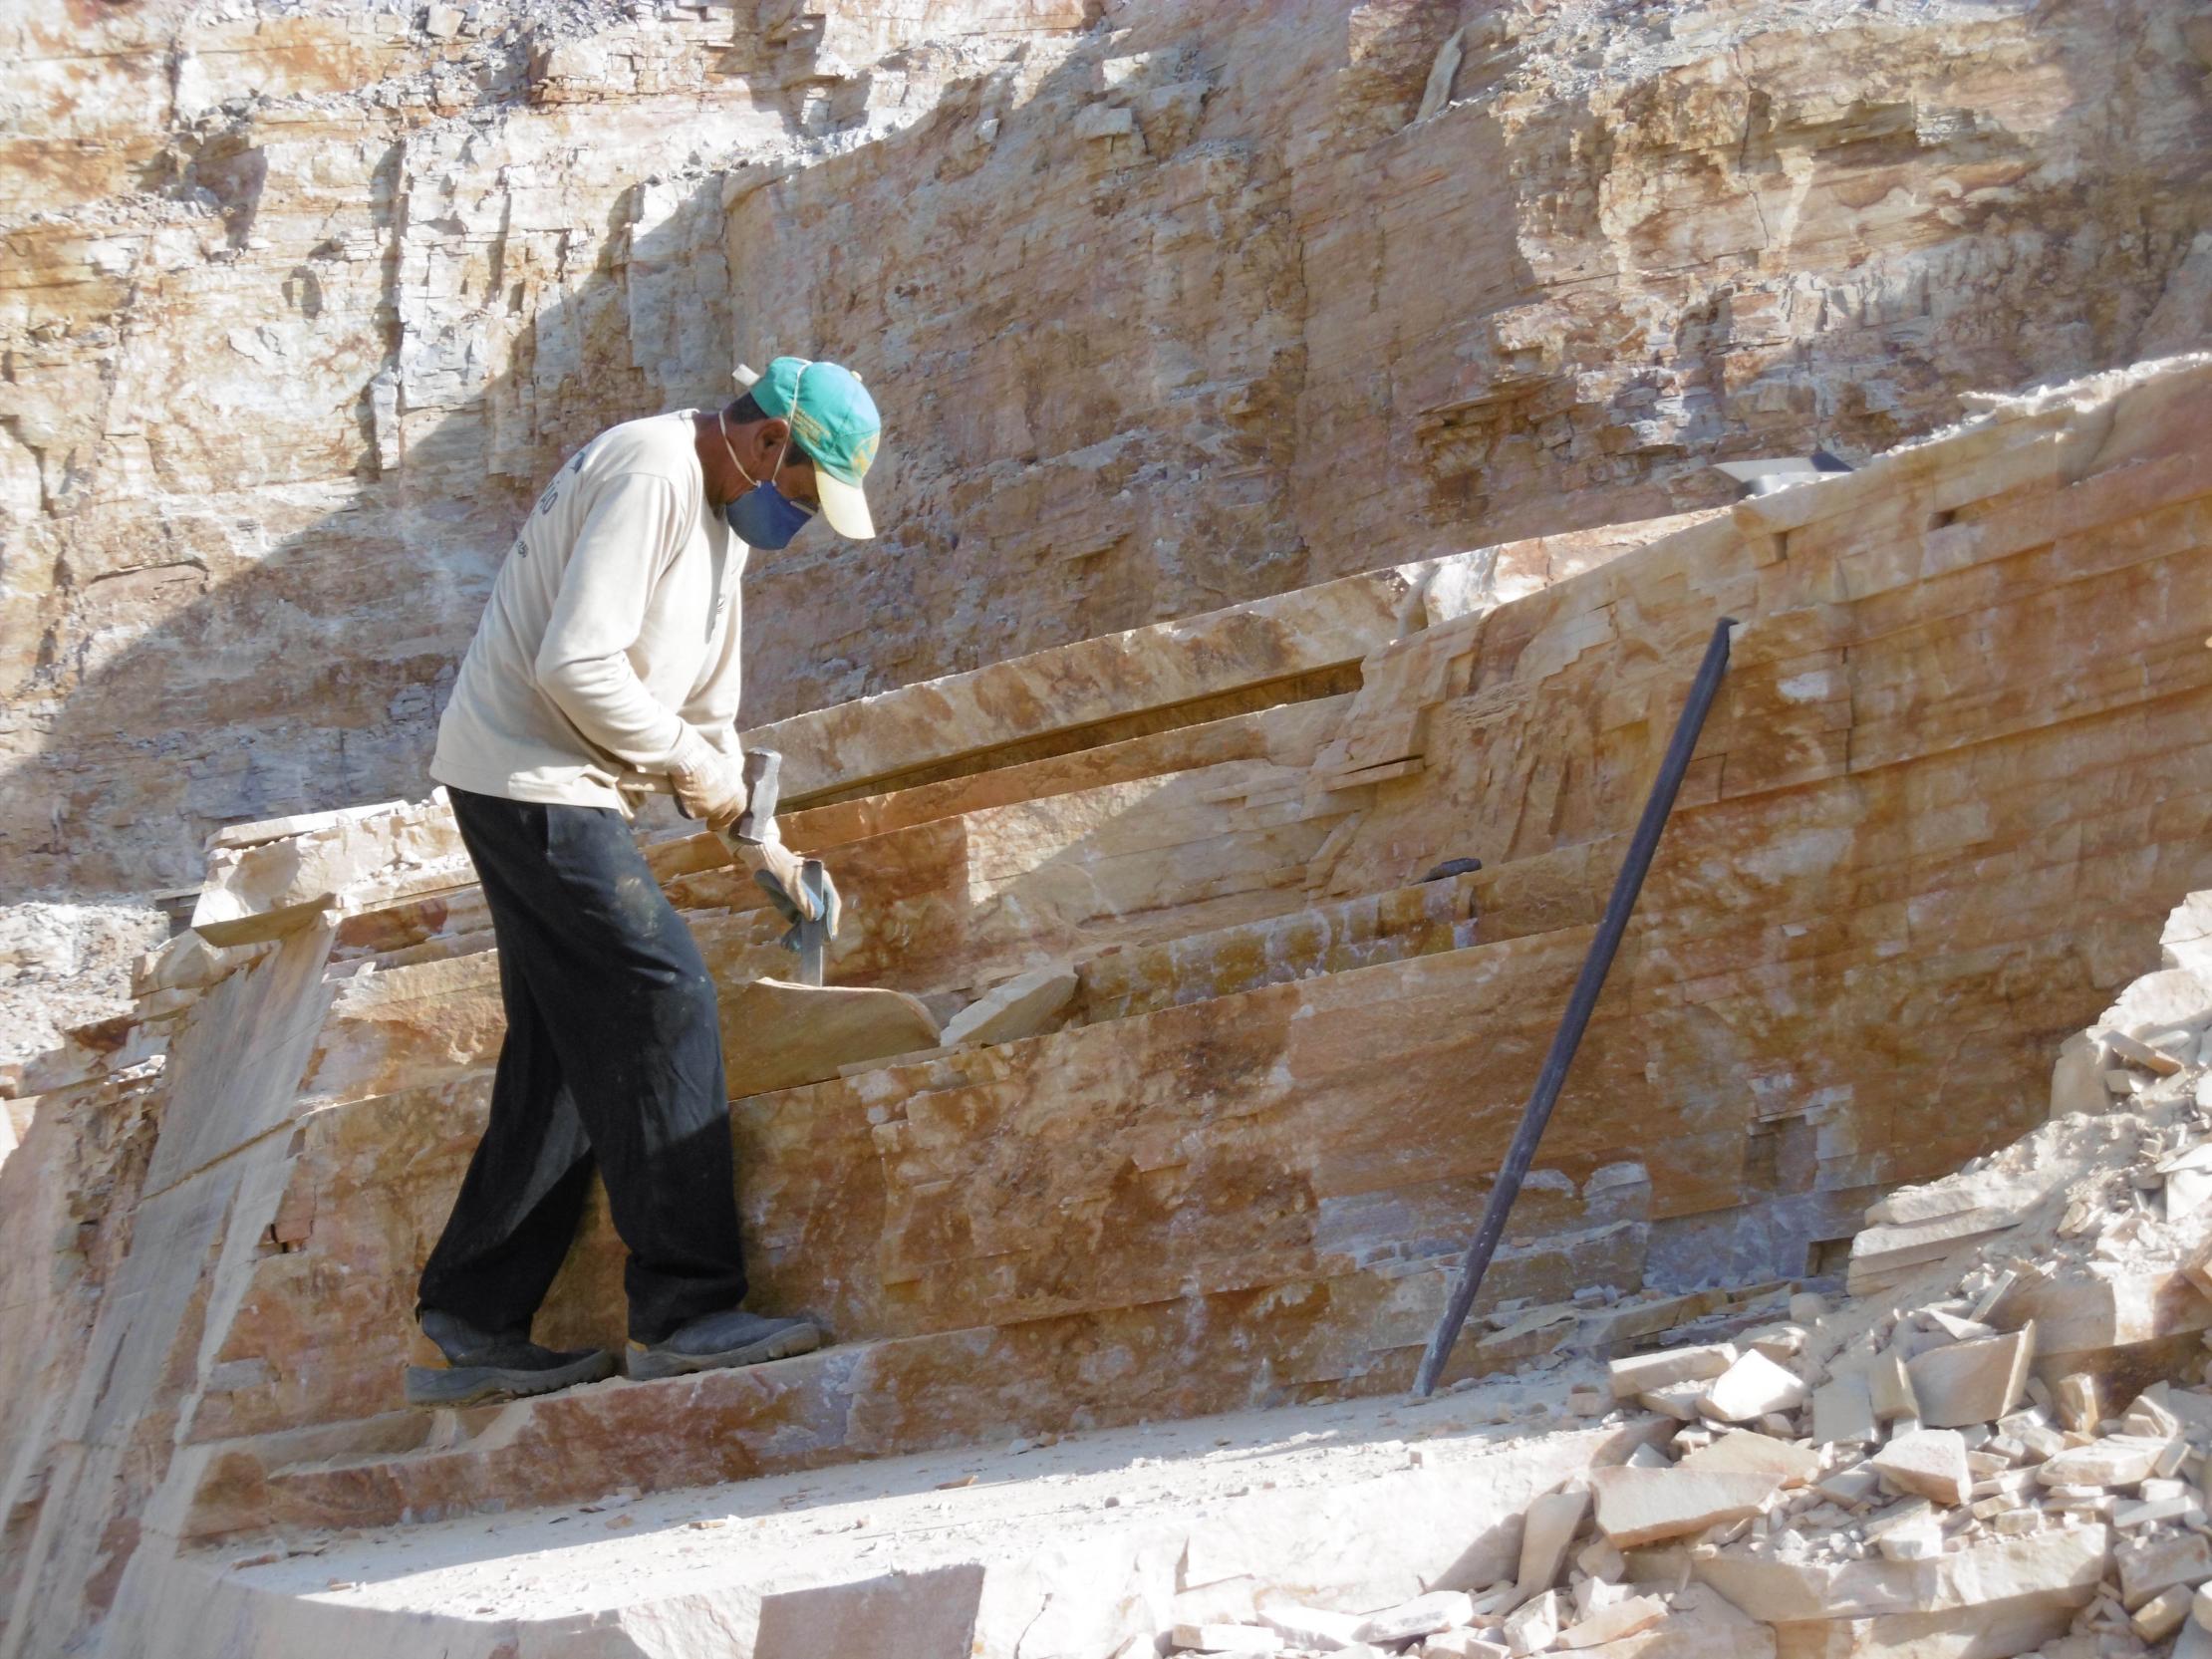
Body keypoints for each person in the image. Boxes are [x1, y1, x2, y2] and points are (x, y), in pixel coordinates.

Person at [403, 357, 881, 1407]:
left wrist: (763, 842)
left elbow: (707, 714)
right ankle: (688, 1309)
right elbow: (573, 667)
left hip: (564, 782)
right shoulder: (655, 471)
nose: (795, 520)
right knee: (661, 998)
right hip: (528, 776)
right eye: (802, 494)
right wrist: (692, 767)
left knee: (570, 1056)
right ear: (768, 444)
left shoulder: (719, 513)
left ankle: (474, 1315)